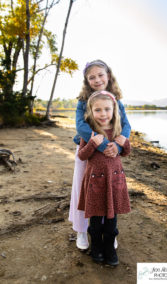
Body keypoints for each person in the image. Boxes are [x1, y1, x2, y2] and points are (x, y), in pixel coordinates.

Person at [68, 59, 131, 250]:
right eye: (91, 77)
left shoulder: (116, 100)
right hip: (89, 149)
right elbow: (81, 126)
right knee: (83, 189)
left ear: (108, 76)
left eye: (100, 75)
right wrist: (103, 144)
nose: (97, 80)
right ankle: (81, 230)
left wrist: (118, 147)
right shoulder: (82, 101)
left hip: (111, 150)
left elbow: (126, 125)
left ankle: (107, 232)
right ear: (87, 81)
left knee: (106, 190)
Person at [77, 91, 131, 266]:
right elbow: (82, 156)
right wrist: (92, 143)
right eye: (98, 110)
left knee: (111, 221)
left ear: (113, 110)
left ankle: (109, 248)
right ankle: (97, 248)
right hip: (95, 184)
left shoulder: (117, 131)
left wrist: (124, 142)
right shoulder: (90, 134)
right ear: (91, 112)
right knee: (95, 221)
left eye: (107, 109)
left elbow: (126, 153)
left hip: (114, 183)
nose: (103, 114)